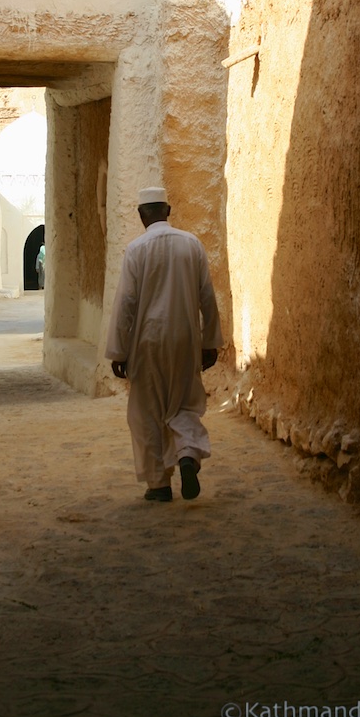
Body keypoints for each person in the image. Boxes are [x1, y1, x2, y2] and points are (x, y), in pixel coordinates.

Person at [105, 186, 223, 502]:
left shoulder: (136, 249)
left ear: (142, 215)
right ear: (167, 211)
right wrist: (210, 341)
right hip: (185, 338)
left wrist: (118, 350)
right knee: (183, 402)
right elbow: (207, 297)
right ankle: (187, 454)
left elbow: (126, 303)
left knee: (147, 410)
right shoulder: (192, 245)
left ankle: (158, 485)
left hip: (146, 341)